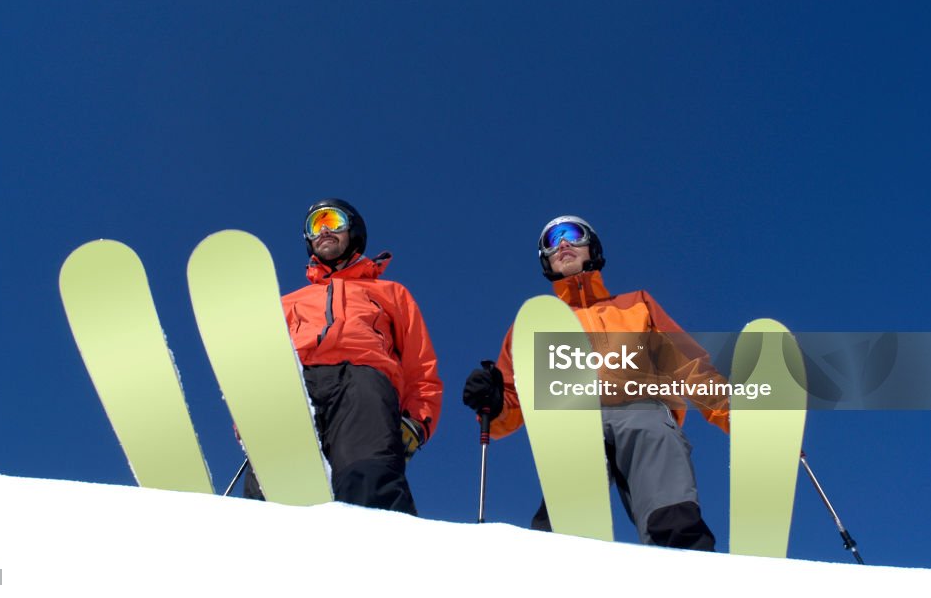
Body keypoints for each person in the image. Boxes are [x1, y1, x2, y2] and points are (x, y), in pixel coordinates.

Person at [463, 215, 730, 549]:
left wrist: (733, 413)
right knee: (568, 507)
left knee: (670, 507)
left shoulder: (637, 304)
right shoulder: (534, 324)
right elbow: (513, 404)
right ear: (545, 259)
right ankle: (558, 554)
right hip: (572, 417)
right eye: (551, 240)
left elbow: (690, 365)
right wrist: (494, 400)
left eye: (572, 234)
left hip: (642, 407)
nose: (562, 243)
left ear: (592, 247)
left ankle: (686, 563)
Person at [245, 198, 442, 515]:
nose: (323, 231)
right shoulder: (287, 302)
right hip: (293, 385)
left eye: (332, 221)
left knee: (367, 478)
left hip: (362, 381)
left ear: (354, 229)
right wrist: (250, 419)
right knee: (275, 487)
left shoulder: (391, 293)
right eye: (315, 226)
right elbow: (260, 368)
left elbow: (420, 367)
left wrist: (417, 421)